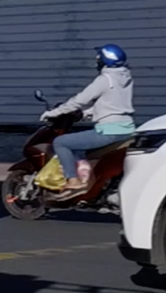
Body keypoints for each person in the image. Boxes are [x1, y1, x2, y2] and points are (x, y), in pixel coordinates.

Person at [43, 44, 134, 193]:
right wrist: (85, 114)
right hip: (127, 128)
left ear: (104, 61)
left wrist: (54, 112)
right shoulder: (125, 78)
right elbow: (113, 103)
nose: (96, 62)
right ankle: (87, 176)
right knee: (79, 146)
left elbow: (79, 100)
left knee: (61, 142)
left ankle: (73, 180)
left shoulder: (105, 79)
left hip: (108, 130)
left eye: (98, 59)